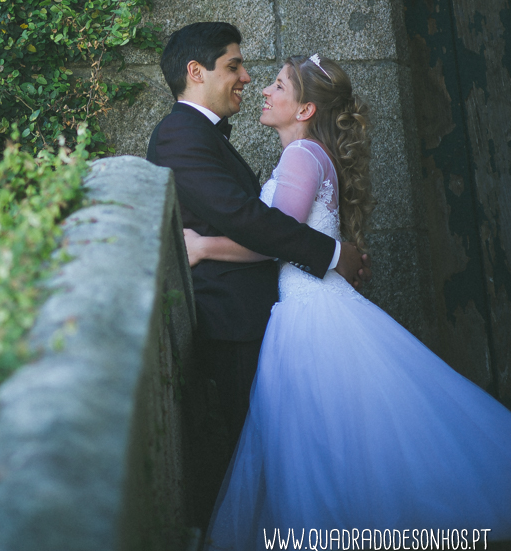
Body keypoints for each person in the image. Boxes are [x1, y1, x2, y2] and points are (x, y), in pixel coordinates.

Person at [193, 53, 511, 551]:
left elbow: (279, 238)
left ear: (304, 110)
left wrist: (204, 246)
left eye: (277, 85)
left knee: (321, 439)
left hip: (310, 314)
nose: (263, 91)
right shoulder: (310, 155)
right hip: (311, 303)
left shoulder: (300, 157)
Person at [146, 23, 366, 455]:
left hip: (256, 319)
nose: (247, 77)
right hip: (233, 325)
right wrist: (334, 252)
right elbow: (246, 218)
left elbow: (254, 222)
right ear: (196, 71)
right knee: (266, 452)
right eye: (235, 65)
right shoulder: (178, 135)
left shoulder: (206, 136)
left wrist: (205, 246)